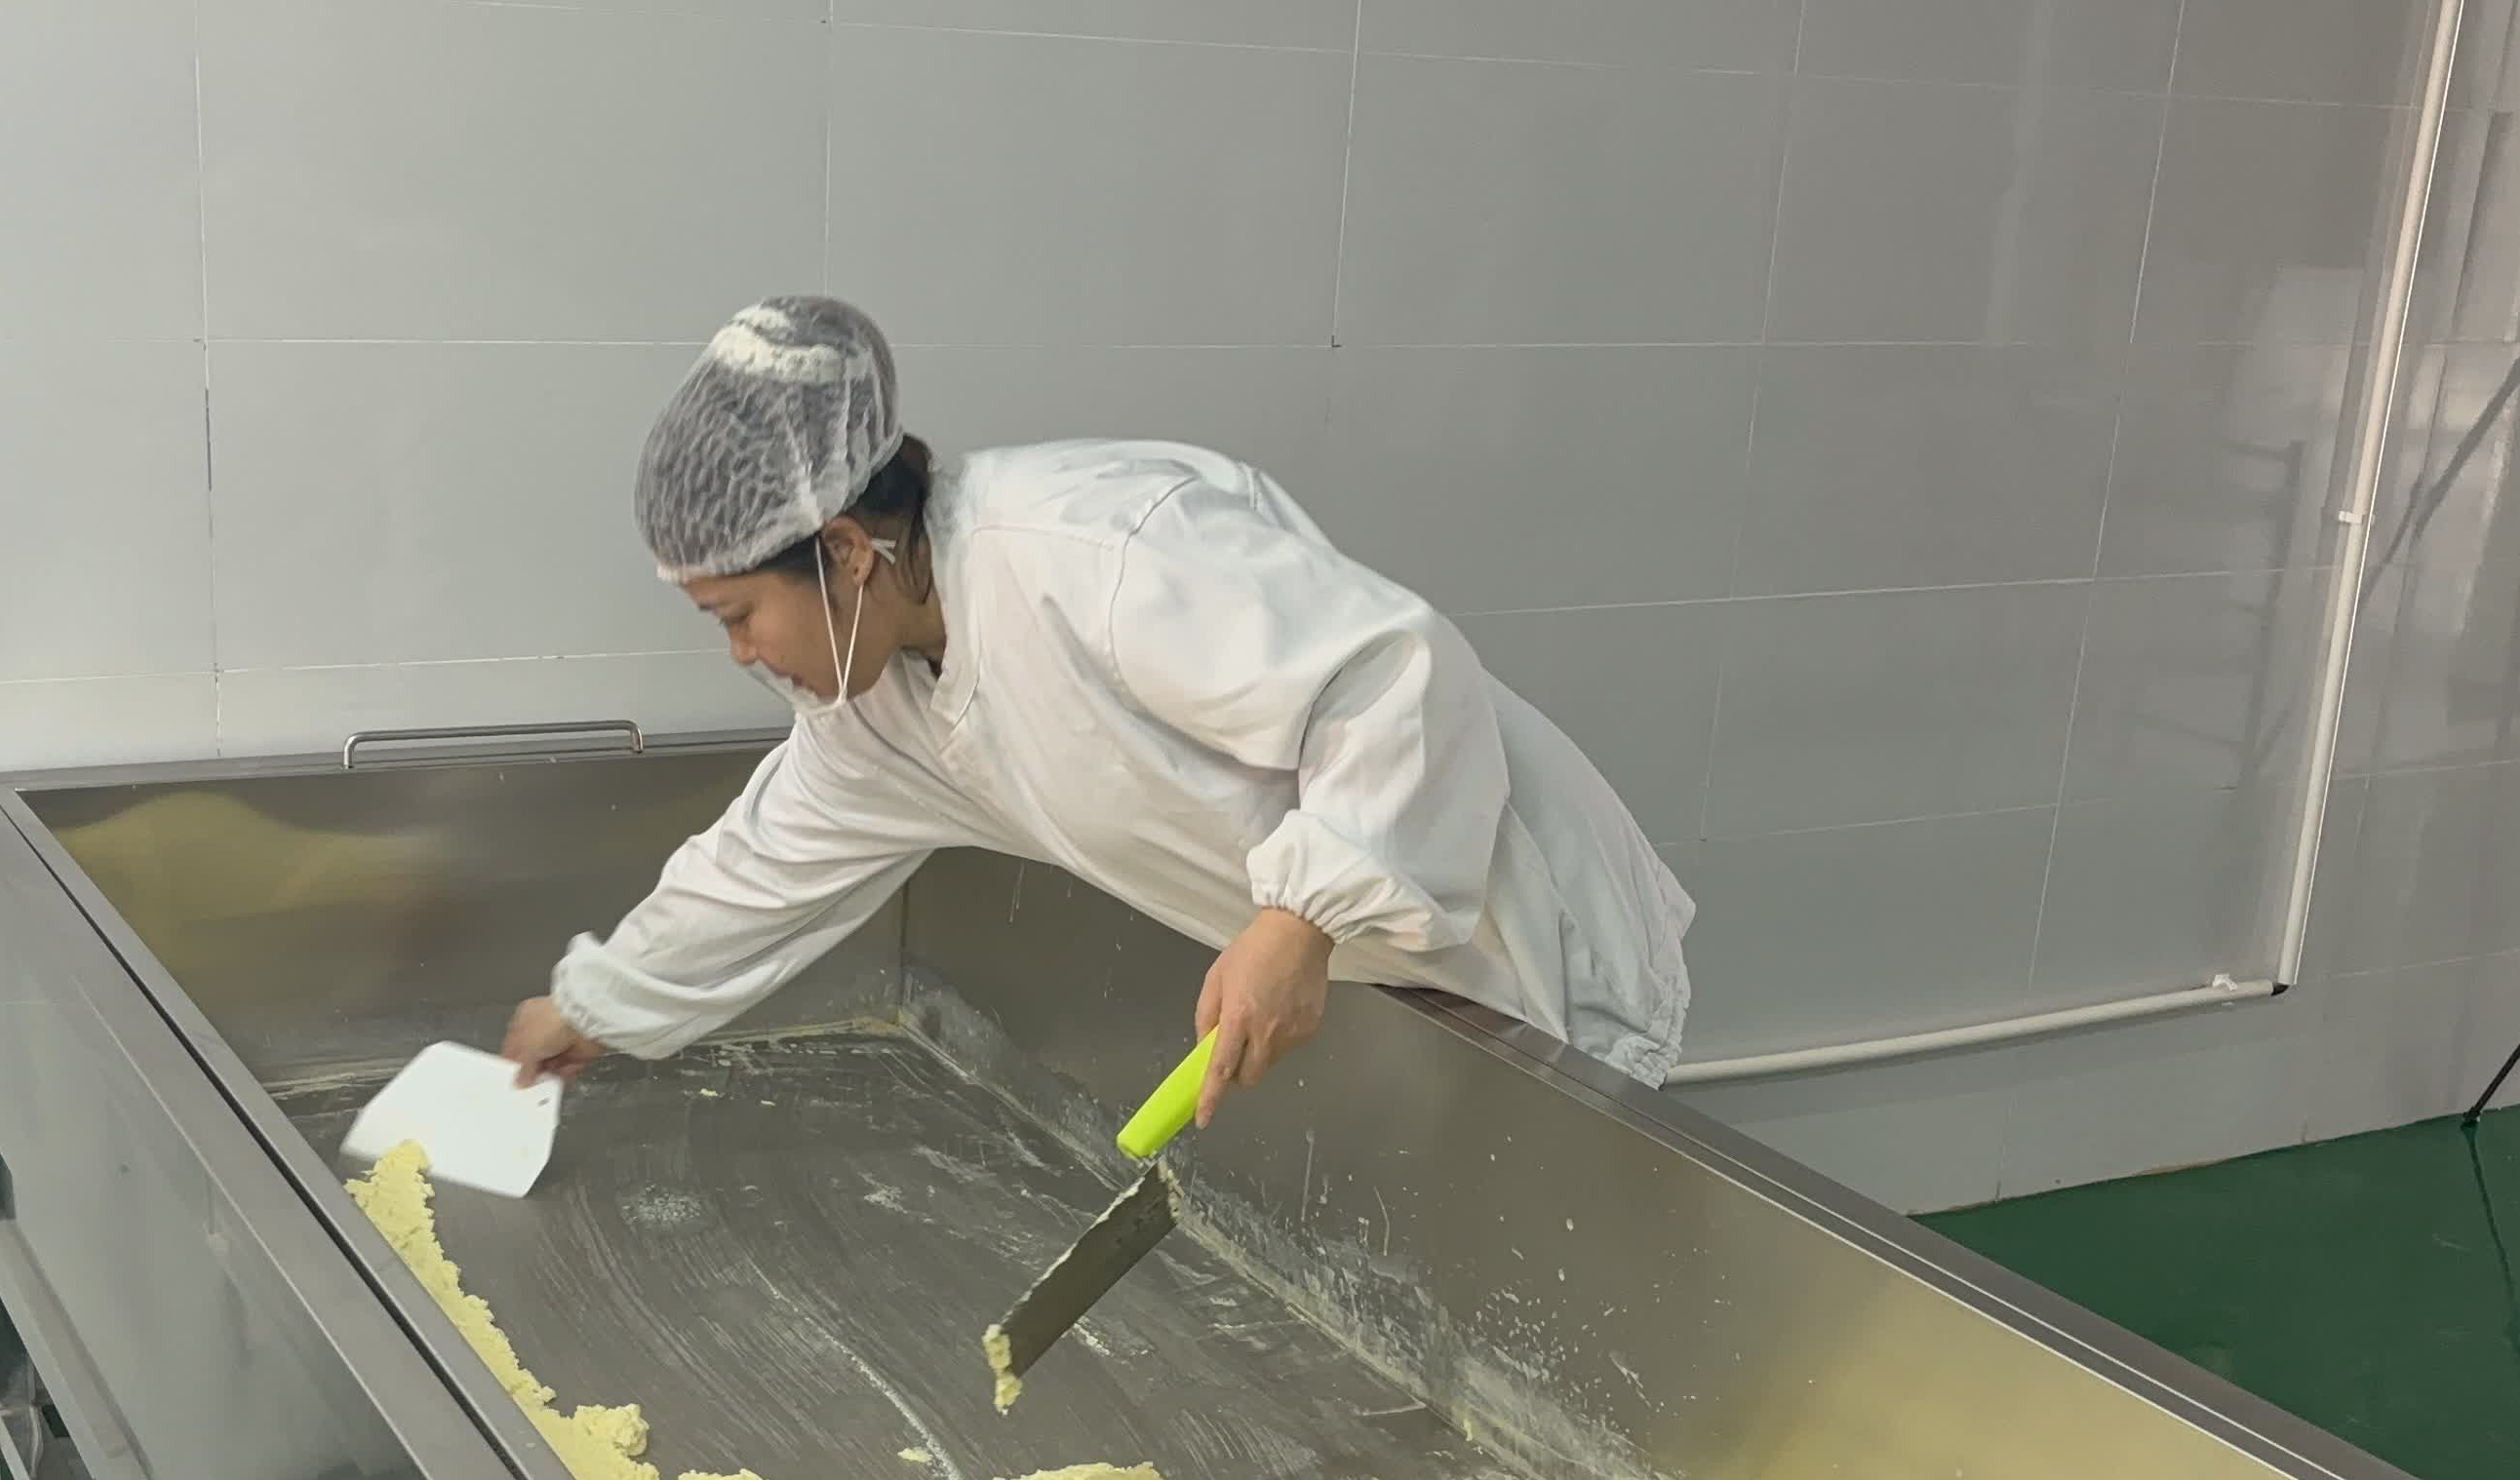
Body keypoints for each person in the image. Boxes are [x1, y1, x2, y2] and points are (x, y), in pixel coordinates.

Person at [500, 296, 1694, 1123]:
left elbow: (1393, 675)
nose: (741, 654)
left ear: (847, 550)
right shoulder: (881, 705)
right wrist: (593, 1005)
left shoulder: (1091, 555)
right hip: (1395, 967)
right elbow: (763, 864)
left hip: (1529, 928)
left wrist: (1300, 922)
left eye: (737, 614)